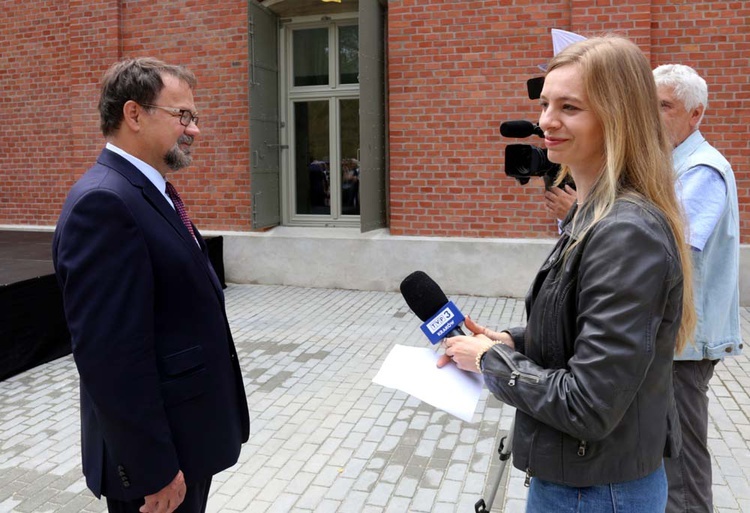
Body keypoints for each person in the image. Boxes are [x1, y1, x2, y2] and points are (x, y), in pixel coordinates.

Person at [439, 36, 696, 512]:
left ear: (617, 117)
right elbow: (586, 328)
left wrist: (492, 362)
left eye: (569, 107)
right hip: (584, 483)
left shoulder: (626, 232)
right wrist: (516, 341)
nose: (545, 122)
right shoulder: (596, 213)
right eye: (544, 104)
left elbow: (589, 404)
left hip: (596, 493)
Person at [52, 58, 250, 513]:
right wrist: (153, 469)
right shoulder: (104, 203)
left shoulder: (146, 190)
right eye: (182, 115)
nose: (193, 129)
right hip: (158, 470)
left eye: (193, 117)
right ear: (134, 115)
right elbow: (110, 357)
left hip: (186, 442)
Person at [653, 64, 742, 513]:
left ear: (696, 114)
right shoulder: (667, 165)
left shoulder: (703, 169)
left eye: (664, 105)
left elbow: (670, 247)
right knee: (666, 454)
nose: (653, 114)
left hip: (683, 344)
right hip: (667, 338)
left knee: (681, 463)